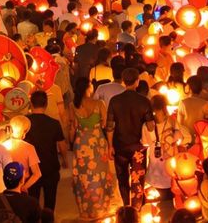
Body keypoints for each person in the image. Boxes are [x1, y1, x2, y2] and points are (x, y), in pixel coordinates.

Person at [70, 76, 120, 221]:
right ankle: (100, 208)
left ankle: (87, 209)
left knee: (84, 177)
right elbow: (106, 124)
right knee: (100, 175)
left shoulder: (73, 106)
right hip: (97, 142)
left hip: (81, 143)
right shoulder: (99, 104)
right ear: (87, 88)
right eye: (91, 85)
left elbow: (72, 128)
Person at [106, 68, 153, 206]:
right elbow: (150, 127)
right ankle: (137, 208)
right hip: (138, 147)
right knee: (137, 179)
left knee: (122, 178)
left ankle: (126, 206)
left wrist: (110, 145)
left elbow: (110, 126)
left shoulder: (115, 101)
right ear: (137, 81)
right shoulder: (144, 101)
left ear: (123, 82)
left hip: (119, 145)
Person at [23, 91, 67, 211]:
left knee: (33, 202)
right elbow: (62, 145)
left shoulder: (24, 123)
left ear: (31, 104)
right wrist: (65, 159)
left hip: (31, 168)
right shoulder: (54, 123)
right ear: (46, 104)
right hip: (51, 168)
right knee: (50, 202)